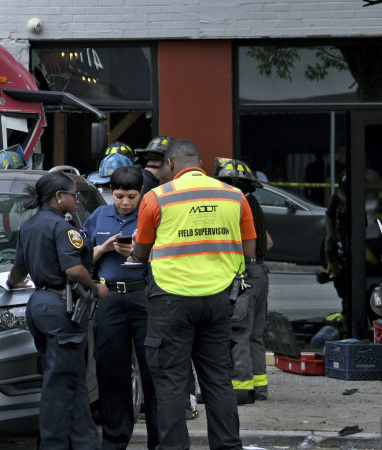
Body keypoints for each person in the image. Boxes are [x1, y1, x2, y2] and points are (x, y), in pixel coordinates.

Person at [128, 139, 256, 450]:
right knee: (218, 381)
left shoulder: (156, 198)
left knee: (171, 382)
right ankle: (227, 446)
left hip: (171, 300)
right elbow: (249, 250)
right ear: (199, 162)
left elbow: (141, 252)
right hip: (219, 300)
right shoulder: (234, 196)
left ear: (170, 165)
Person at [8, 172, 109, 450]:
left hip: (39, 306)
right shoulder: (64, 228)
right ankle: (52, 444)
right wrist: (97, 287)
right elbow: (74, 270)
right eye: (74, 195)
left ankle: (86, 442)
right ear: (59, 197)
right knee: (58, 383)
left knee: (71, 377)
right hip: (60, 309)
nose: (76, 200)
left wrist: (8, 285)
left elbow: (17, 272)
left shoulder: (28, 227)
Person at [82, 165, 159, 450]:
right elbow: (78, 257)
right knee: (112, 371)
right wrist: (103, 248)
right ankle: (115, 439)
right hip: (110, 299)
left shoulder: (150, 215)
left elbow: (165, 257)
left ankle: (159, 439)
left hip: (144, 297)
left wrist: (140, 250)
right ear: (110, 193)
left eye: (131, 196)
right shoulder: (99, 215)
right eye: (118, 196)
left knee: (153, 370)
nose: (124, 202)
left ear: (142, 194)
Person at [214, 158, 272, 404]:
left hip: (243, 275)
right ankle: (259, 387)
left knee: (238, 332)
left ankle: (241, 390)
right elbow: (268, 243)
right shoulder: (253, 204)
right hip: (260, 273)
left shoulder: (235, 206)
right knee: (255, 335)